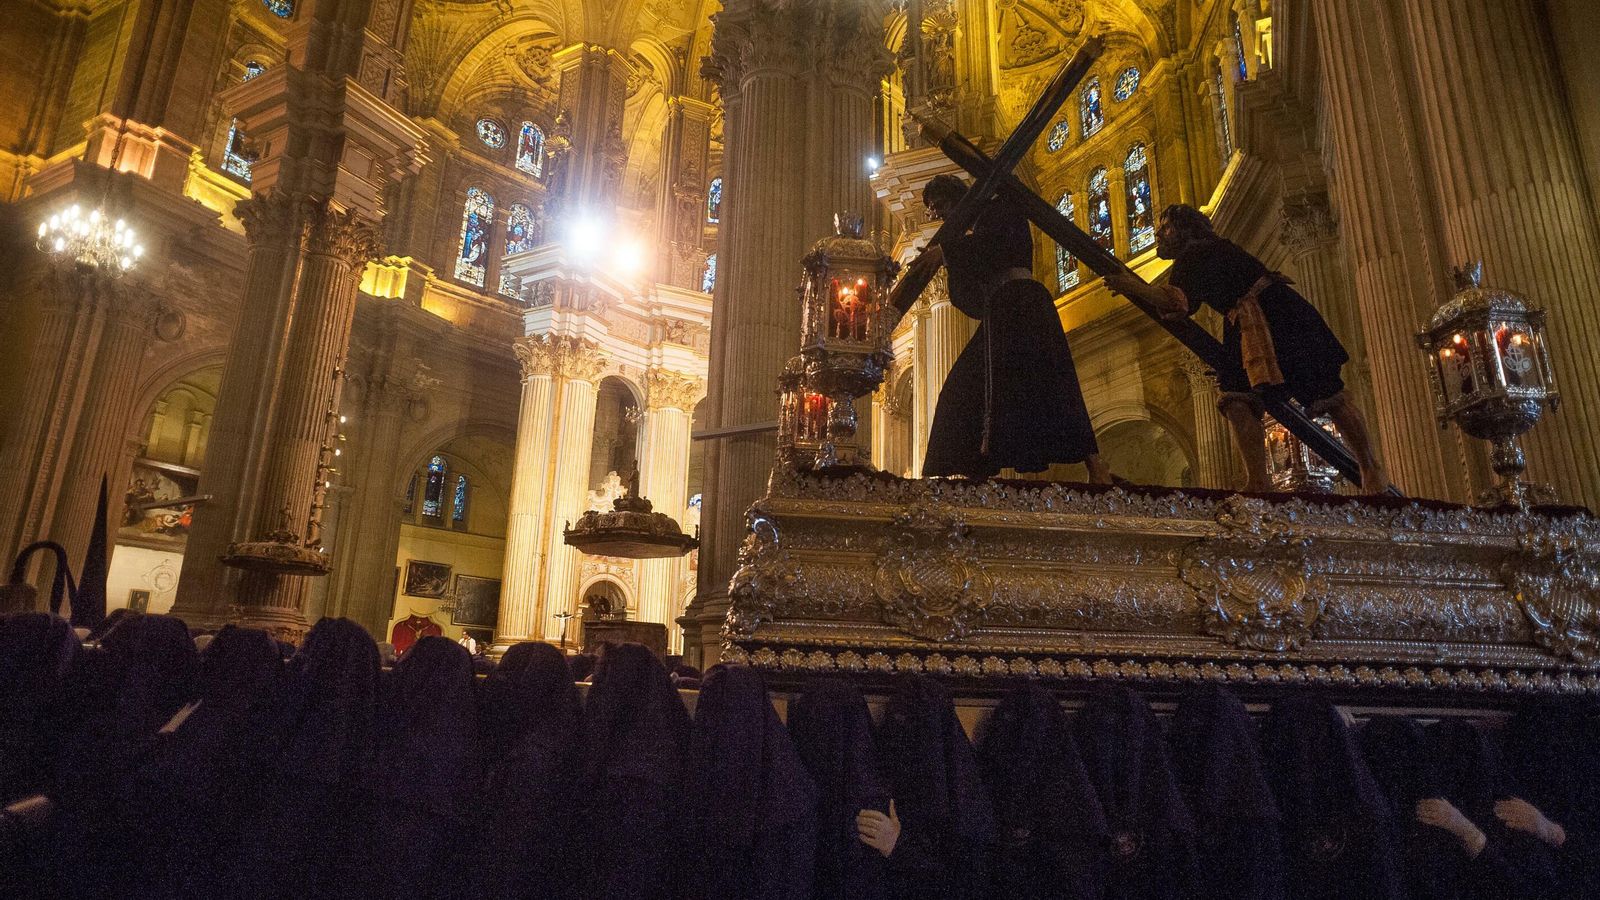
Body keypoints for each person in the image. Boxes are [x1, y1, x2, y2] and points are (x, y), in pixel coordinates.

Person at [1105, 204, 1390, 494]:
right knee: (1236, 397)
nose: (1158, 234)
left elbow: (1173, 302)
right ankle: (1259, 480)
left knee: (1327, 391)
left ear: (1186, 229)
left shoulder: (1197, 254)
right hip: (1246, 322)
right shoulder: (1201, 255)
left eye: (1165, 227)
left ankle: (1368, 467)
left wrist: (1131, 286)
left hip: (1277, 315)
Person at [905, 174, 1110, 483]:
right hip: (1000, 312)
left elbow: (996, 246)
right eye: (933, 209)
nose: (939, 214)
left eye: (941, 204)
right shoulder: (972, 234)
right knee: (965, 389)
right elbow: (971, 301)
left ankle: (1097, 468)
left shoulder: (1002, 207)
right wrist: (951, 264)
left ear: (961, 197)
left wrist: (947, 253)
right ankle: (975, 473)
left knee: (1055, 382)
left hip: (1023, 304)